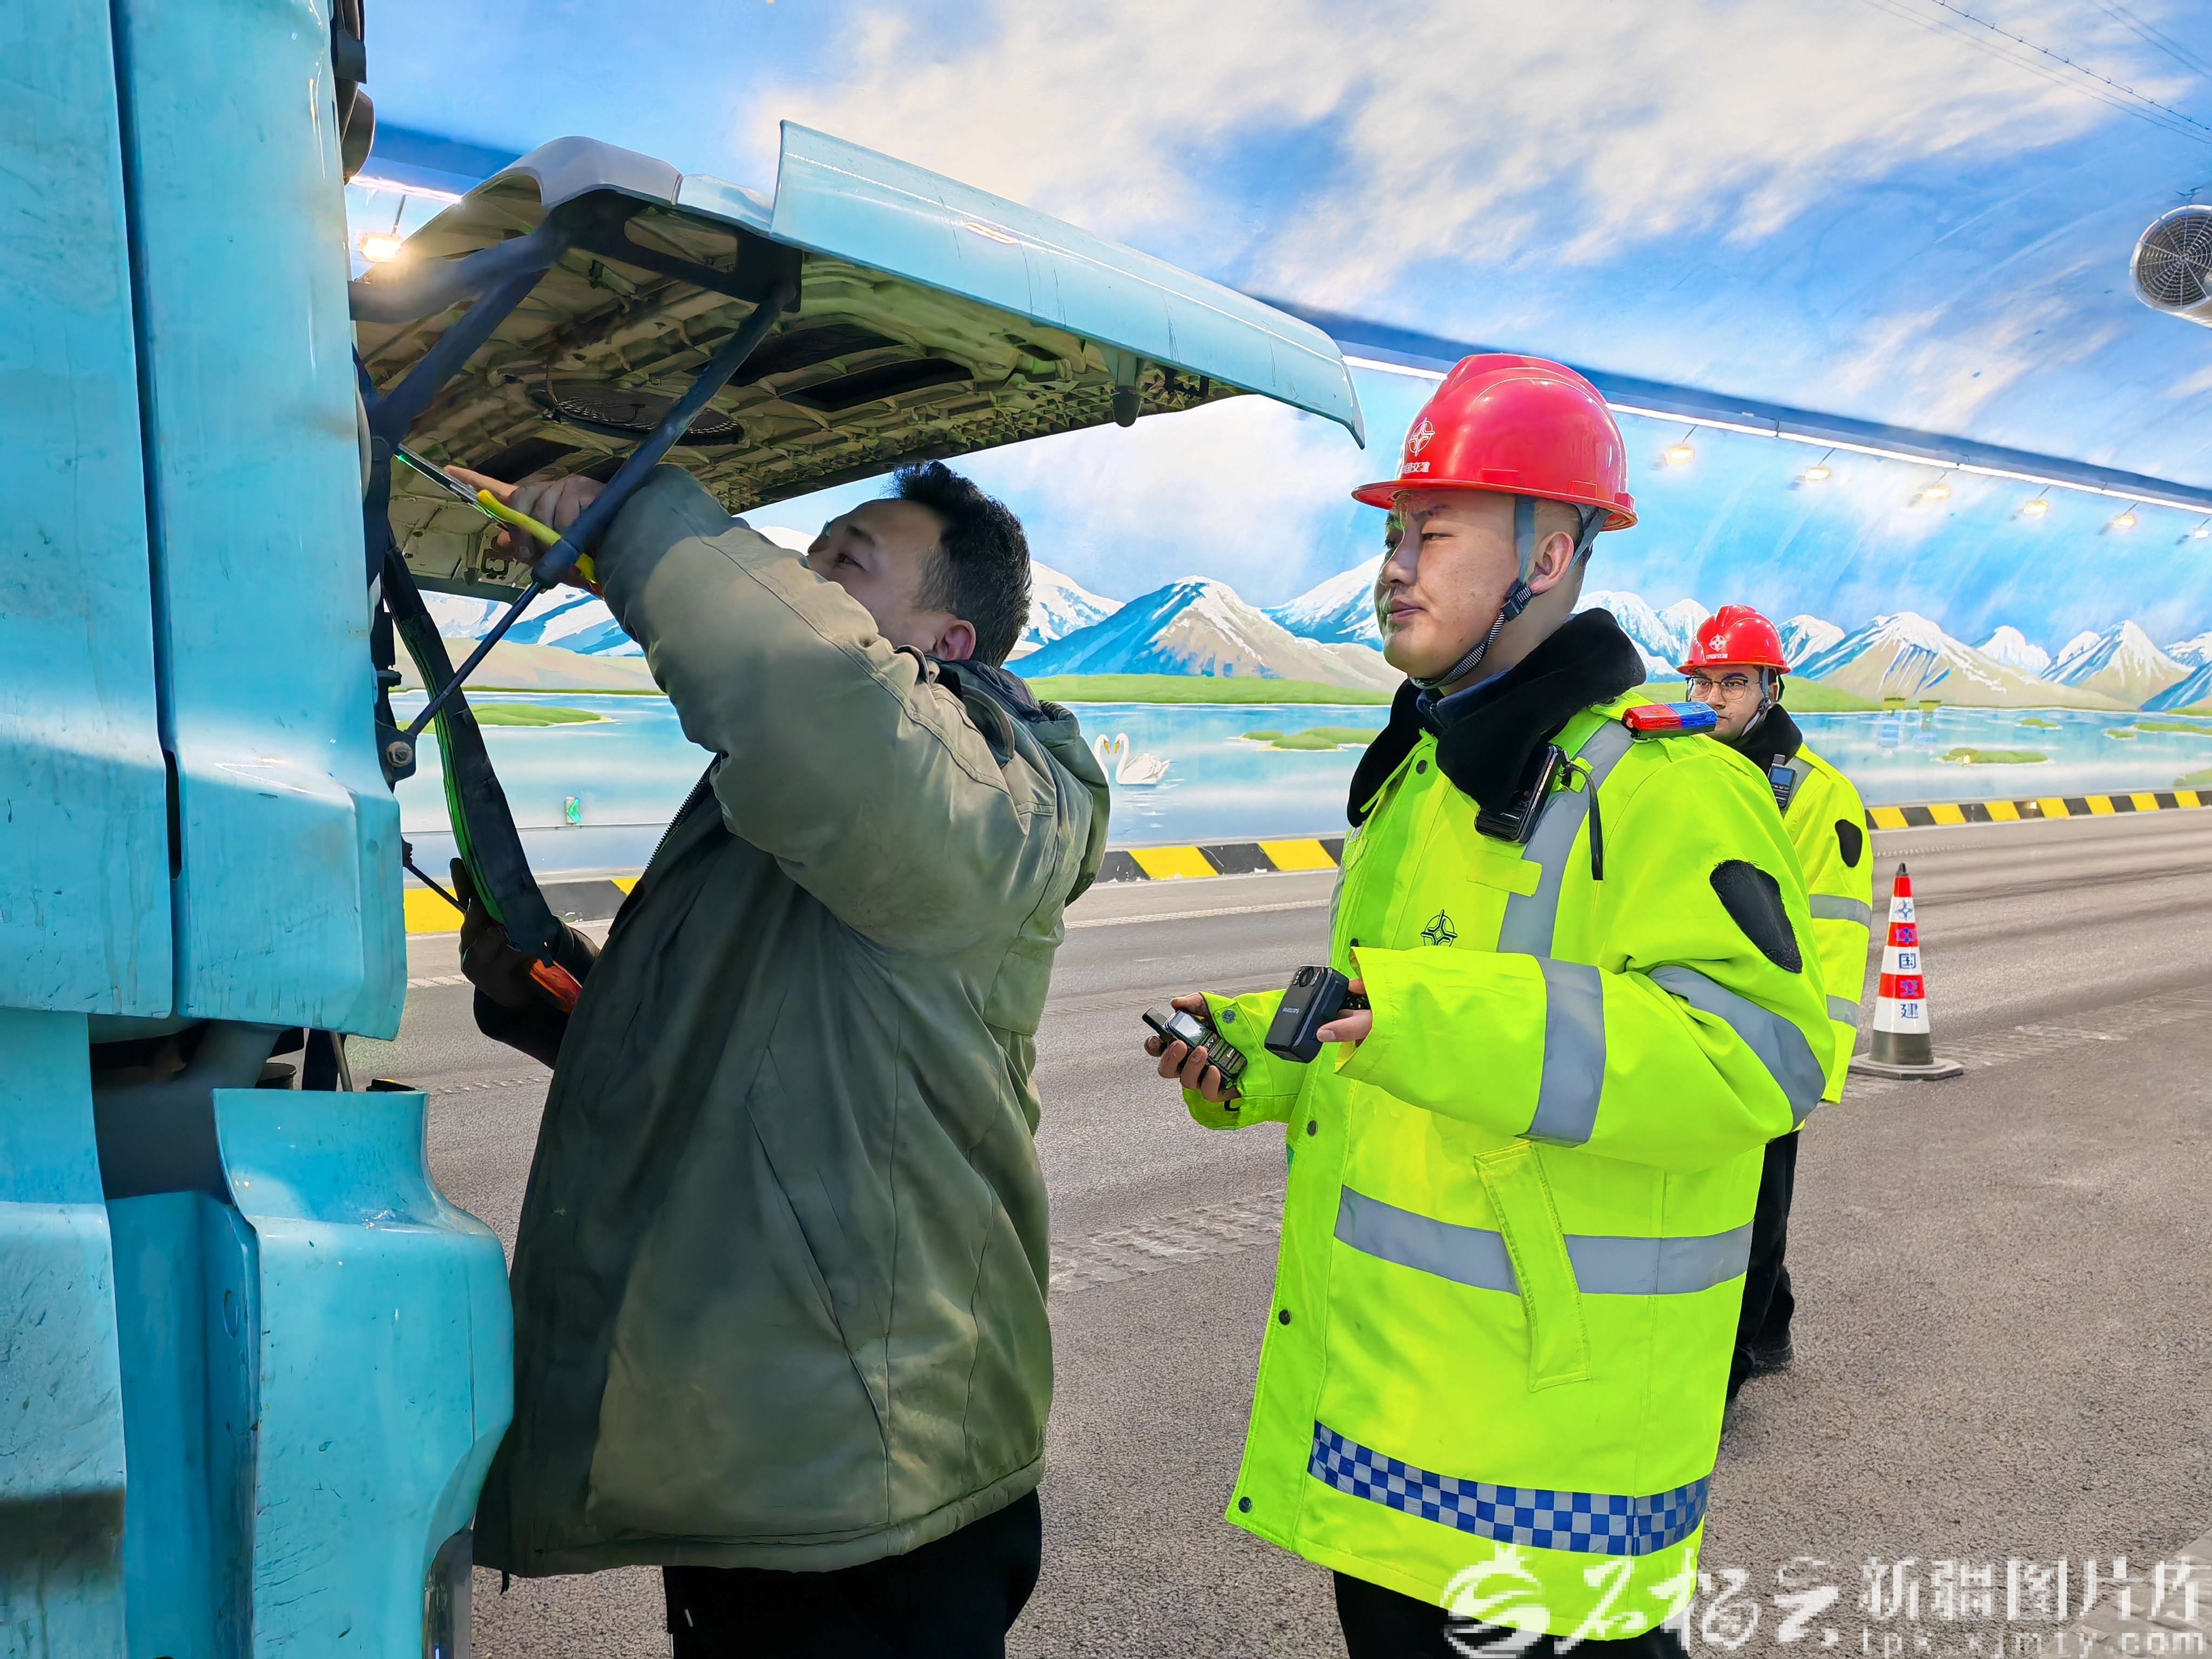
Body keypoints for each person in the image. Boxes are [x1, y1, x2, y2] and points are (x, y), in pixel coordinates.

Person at [1142, 356, 1832, 1659]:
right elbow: (1404, 1031)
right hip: (1404, 1443)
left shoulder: (1662, 786)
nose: (1393, 566)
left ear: (1550, 554)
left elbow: (1760, 1054)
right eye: (1391, 535)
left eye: (1435, 534)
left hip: (1544, 1476)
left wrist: (1418, 1018)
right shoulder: (1428, 778)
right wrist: (1272, 1057)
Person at [446, 458, 1109, 1658]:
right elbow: (758, 1046)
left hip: (875, 1470)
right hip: (776, 1453)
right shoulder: (817, 802)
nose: (808, 576)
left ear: (948, 641)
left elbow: (807, 685)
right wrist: (552, 996)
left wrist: (636, 524)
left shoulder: (993, 789)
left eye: (849, 561)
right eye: (813, 554)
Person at [1679, 605, 1874, 1398]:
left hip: (1768, 1036)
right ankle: (1771, 1327)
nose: (1714, 697)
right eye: (1703, 681)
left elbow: (1835, 932)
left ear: (1771, 688)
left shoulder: (1816, 796)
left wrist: (1810, 1062)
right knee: (1718, 1198)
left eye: (1733, 681)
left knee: (1754, 1213)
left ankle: (1720, 1378)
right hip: (1686, 1021)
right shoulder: (1682, 769)